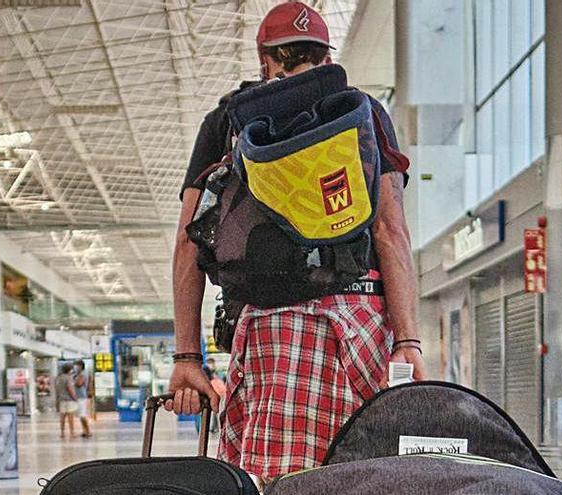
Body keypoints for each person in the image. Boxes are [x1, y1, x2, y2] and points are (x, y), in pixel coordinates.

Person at [165, 1, 424, 483]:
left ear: (265, 59)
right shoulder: (361, 112)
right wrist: (407, 340)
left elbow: (188, 244)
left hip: (271, 329)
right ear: (327, 61)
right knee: (366, 473)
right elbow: (391, 231)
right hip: (359, 322)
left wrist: (187, 357)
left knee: (277, 479)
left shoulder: (229, 119)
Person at [55, 363, 78, 439]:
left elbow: (57, 389)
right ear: (70, 370)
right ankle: (72, 432)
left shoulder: (58, 378)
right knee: (70, 417)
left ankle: (62, 432)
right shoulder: (69, 378)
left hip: (61, 399)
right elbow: (70, 388)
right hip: (69, 400)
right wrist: (75, 397)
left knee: (62, 417)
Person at [73, 360, 92, 438]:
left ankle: (88, 431)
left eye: (76, 365)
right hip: (79, 396)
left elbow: (79, 383)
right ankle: (84, 430)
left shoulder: (83, 374)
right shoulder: (78, 374)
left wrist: (73, 381)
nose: (75, 367)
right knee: (81, 415)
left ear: (80, 366)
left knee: (82, 415)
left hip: (81, 396)